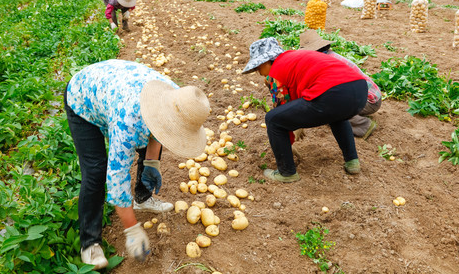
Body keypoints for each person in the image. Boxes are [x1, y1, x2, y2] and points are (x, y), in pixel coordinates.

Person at [64, 59, 210, 269]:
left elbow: (162, 130)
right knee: (96, 171)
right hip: (83, 98)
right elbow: (117, 177)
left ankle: (142, 198)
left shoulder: (180, 100)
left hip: (116, 90)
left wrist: (152, 163)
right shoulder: (129, 122)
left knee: (148, 145)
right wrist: (132, 229)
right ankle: (89, 242)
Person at [242, 38, 368, 182]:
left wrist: (287, 142)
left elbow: (282, 110)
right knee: (337, 115)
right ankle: (352, 162)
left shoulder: (275, 72)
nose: (259, 74)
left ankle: (286, 172)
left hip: (332, 93)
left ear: (267, 61)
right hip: (359, 90)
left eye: (258, 68)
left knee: (273, 119)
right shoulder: (294, 58)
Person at [298, 32, 381, 139]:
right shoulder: (328, 55)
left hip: (370, 100)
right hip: (370, 95)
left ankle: (363, 125)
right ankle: (354, 113)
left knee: (329, 108)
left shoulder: (326, 62)